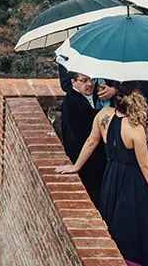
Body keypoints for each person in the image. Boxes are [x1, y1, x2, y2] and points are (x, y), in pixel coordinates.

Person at [57, 83, 148, 266]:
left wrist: (76, 166)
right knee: (138, 229)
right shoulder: (135, 130)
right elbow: (145, 166)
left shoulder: (103, 116)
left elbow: (91, 142)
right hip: (135, 184)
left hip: (111, 178)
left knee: (114, 224)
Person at [61, 71, 107, 206]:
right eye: (84, 80)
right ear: (73, 82)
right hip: (88, 162)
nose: (90, 84)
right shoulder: (76, 104)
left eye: (92, 80)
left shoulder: (88, 98)